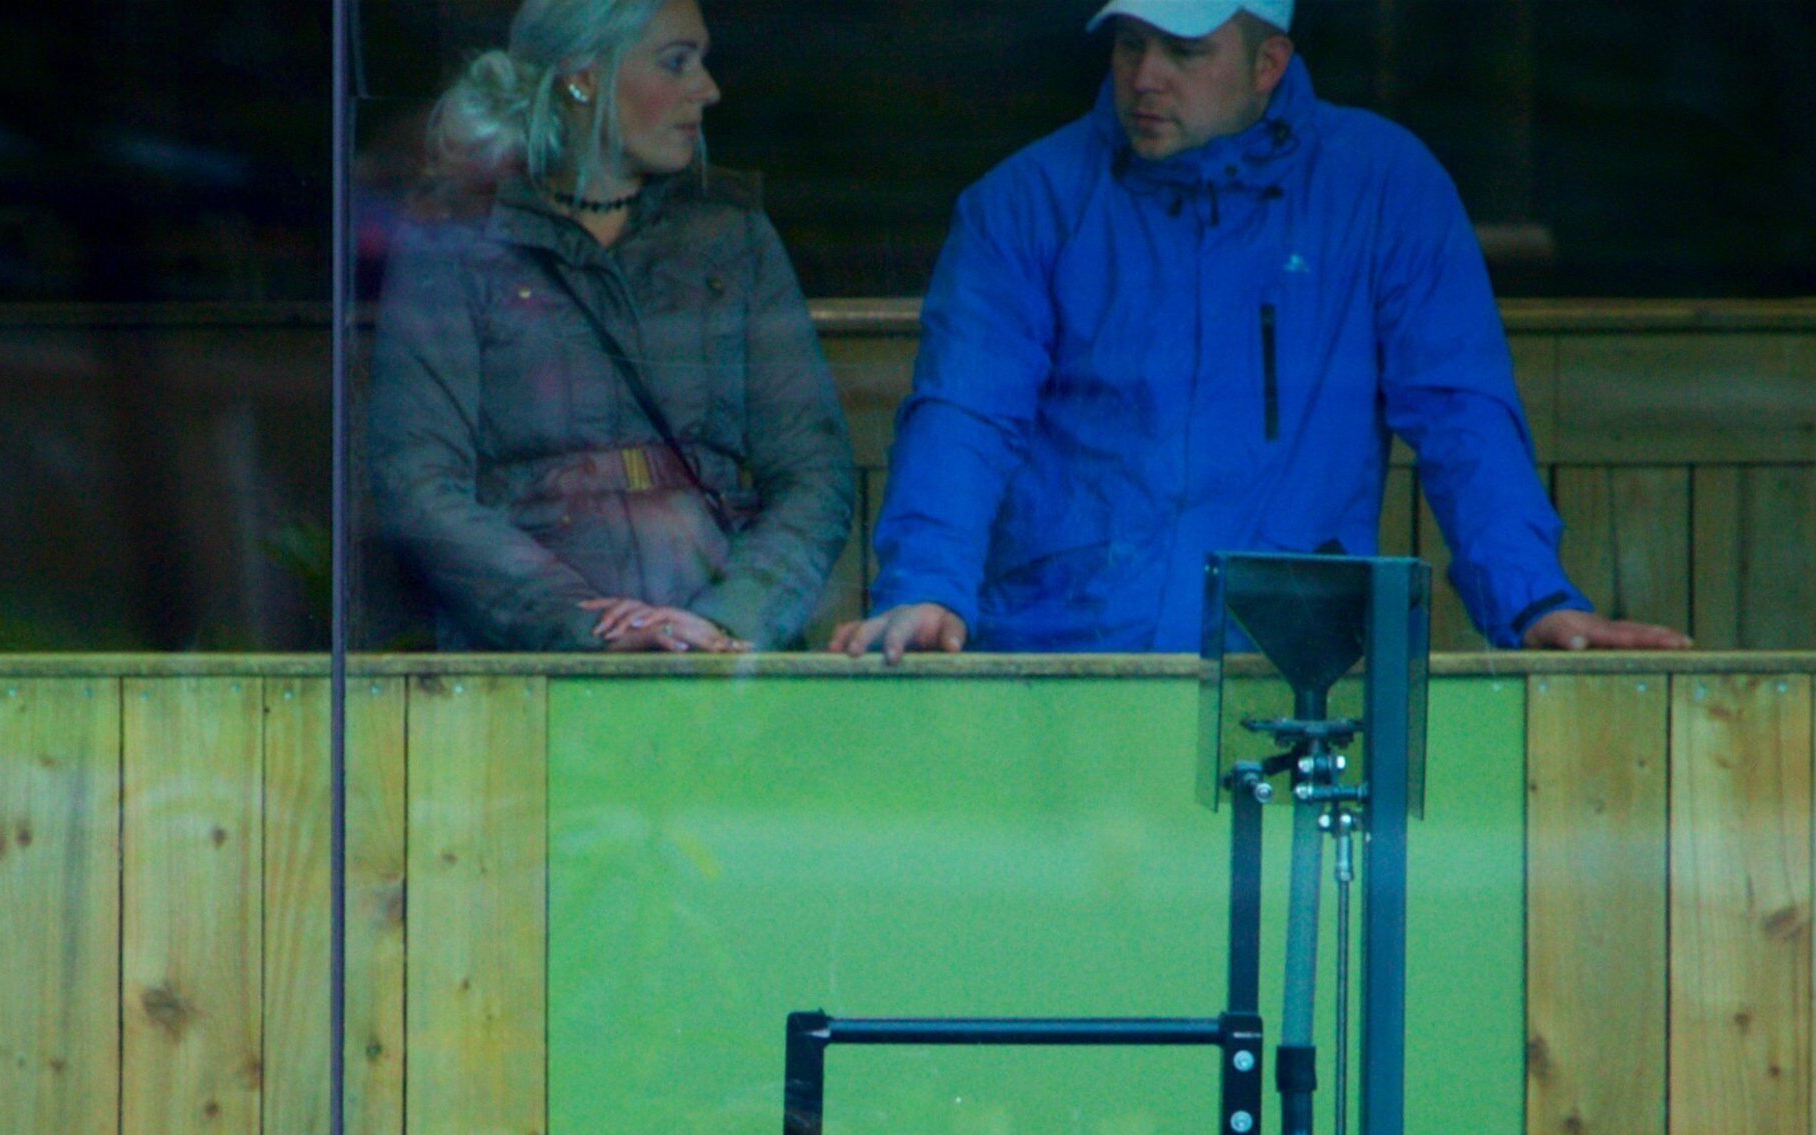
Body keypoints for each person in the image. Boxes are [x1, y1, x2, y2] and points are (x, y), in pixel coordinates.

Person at [832, 0, 1682, 659]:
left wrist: (1534, 599)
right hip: (1063, 655)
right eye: (1130, 43)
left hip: (1291, 672)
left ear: (1269, 61)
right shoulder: (1023, 203)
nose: (1144, 77)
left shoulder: (1384, 187)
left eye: (1185, 50)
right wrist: (926, 587)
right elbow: (965, 414)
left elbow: (1463, 414)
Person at [369, 0, 856, 654]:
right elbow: (419, 486)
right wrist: (585, 625)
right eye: (677, 62)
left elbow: (814, 473)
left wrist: (729, 620)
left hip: (720, 672)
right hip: (529, 683)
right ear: (582, 77)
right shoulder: (457, 250)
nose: (708, 90)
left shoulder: (732, 240)